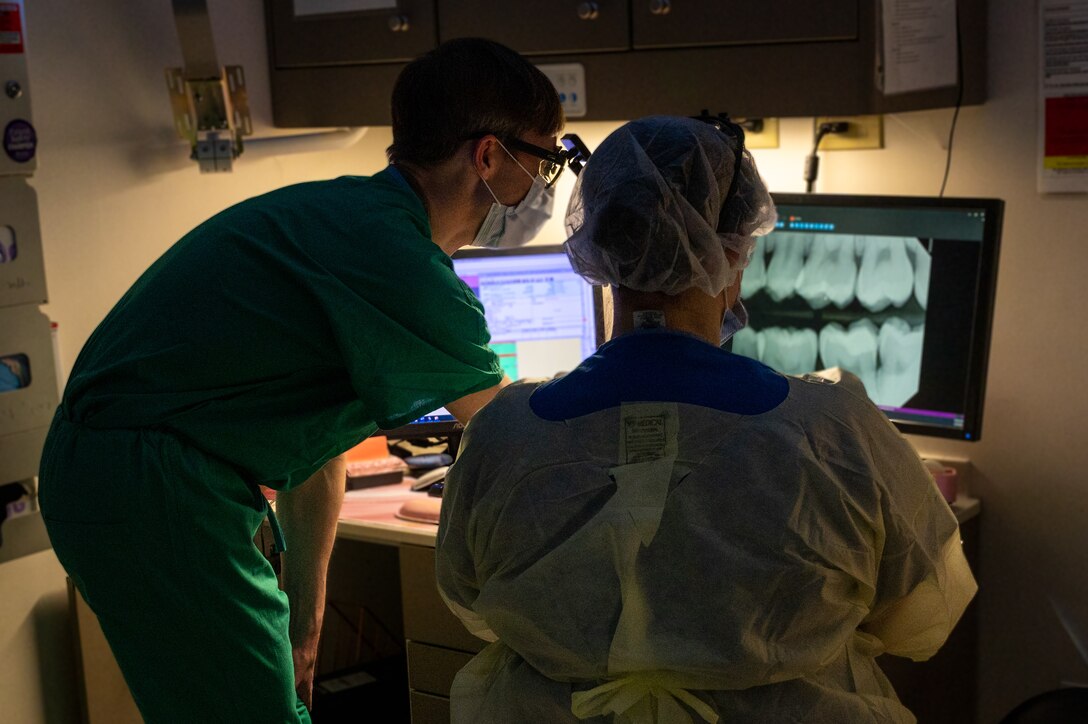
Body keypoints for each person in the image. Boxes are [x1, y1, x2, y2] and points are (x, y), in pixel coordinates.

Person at [38, 37, 568, 723]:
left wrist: (305, 624)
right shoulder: (397, 260)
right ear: (489, 156)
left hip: (126, 472)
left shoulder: (348, 215)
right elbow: (514, 437)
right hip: (149, 483)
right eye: (544, 160)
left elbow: (317, 456)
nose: (544, 187)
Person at [435, 115, 978, 723]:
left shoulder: (502, 433)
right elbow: (924, 618)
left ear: (600, 248)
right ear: (732, 254)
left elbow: (470, 601)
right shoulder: (836, 432)